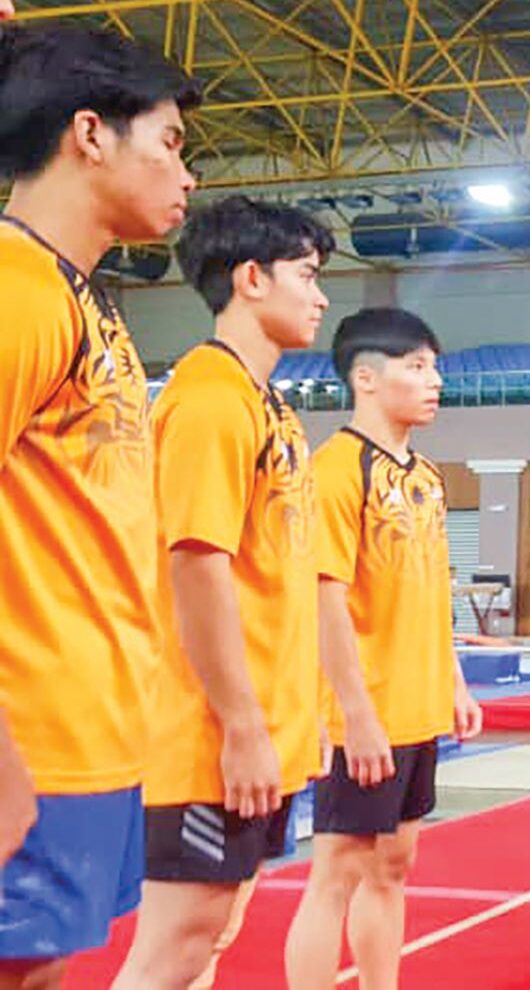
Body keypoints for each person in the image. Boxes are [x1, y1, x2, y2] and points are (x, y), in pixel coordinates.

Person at [0, 22, 196, 986]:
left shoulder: (84, 302)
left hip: (96, 730)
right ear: (89, 134)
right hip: (29, 735)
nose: (187, 176)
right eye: (170, 143)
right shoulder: (18, 290)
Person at [112, 196, 331, 989]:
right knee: (176, 945)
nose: (320, 296)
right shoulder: (210, 400)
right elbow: (196, 566)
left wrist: (302, 713)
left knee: (211, 935)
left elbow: (273, 578)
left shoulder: (268, 407)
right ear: (251, 279)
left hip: (263, 724)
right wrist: (241, 725)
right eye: (307, 275)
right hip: (207, 736)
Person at [283, 308, 484, 989]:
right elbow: (324, 598)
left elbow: (431, 590)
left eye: (435, 367)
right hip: (362, 713)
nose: (436, 381)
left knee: (393, 867)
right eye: (417, 367)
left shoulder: (425, 475)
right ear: (365, 378)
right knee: (336, 873)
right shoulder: (335, 470)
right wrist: (355, 712)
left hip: (417, 707)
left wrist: (453, 681)